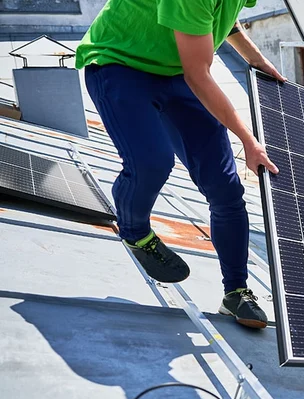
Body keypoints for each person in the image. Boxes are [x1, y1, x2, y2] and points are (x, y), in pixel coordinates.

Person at [75, 0, 287, 329]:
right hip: (121, 63)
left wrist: (255, 59)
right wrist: (249, 139)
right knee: (152, 162)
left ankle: (237, 292)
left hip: (176, 73)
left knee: (226, 188)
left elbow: (223, 20)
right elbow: (199, 75)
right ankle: (135, 232)